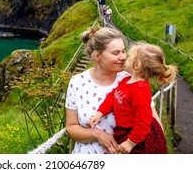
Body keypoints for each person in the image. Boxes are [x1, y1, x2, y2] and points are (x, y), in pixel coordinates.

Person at [65, 25, 163, 154]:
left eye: (123, 51)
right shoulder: (77, 82)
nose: (123, 57)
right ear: (97, 56)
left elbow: (154, 125)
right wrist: (97, 134)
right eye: (116, 53)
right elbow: (71, 128)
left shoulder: (133, 81)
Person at [89, 42, 177, 154]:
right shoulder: (126, 81)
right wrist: (100, 113)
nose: (126, 58)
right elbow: (113, 96)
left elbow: (143, 121)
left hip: (138, 138)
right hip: (126, 132)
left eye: (130, 57)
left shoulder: (140, 89)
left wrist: (130, 142)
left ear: (137, 65)